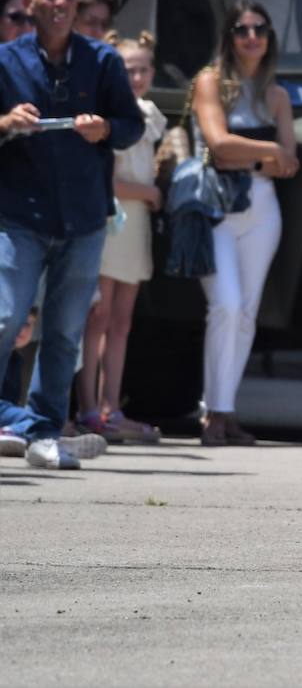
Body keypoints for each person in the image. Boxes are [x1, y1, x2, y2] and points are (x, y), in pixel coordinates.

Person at [0, 0, 144, 469]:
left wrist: (104, 128)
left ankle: (42, 432)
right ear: (30, 4)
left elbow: (131, 125)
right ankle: (9, 418)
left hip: (82, 218)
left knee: (63, 332)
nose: (61, 2)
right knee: (5, 315)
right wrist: (6, 122)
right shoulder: (6, 61)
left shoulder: (102, 60)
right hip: (19, 216)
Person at [192, 0, 298, 446]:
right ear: (229, 37)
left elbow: (290, 163)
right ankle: (211, 413)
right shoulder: (210, 81)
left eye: (259, 28)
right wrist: (268, 152)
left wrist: (262, 155)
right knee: (226, 305)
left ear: (270, 37)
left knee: (247, 313)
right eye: (241, 29)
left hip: (261, 207)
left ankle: (225, 410)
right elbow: (218, 146)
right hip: (216, 205)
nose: (251, 36)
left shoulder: (277, 95)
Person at [75, 31, 166, 441]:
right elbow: (109, 181)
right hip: (114, 221)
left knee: (122, 322)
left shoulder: (149, 113)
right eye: (128, 69)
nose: (137, 76)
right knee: (98, 317)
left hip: (137, 226)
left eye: (143, 68)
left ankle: (112, 407)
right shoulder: (113, 113)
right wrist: (149, 192)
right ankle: (89, 408)